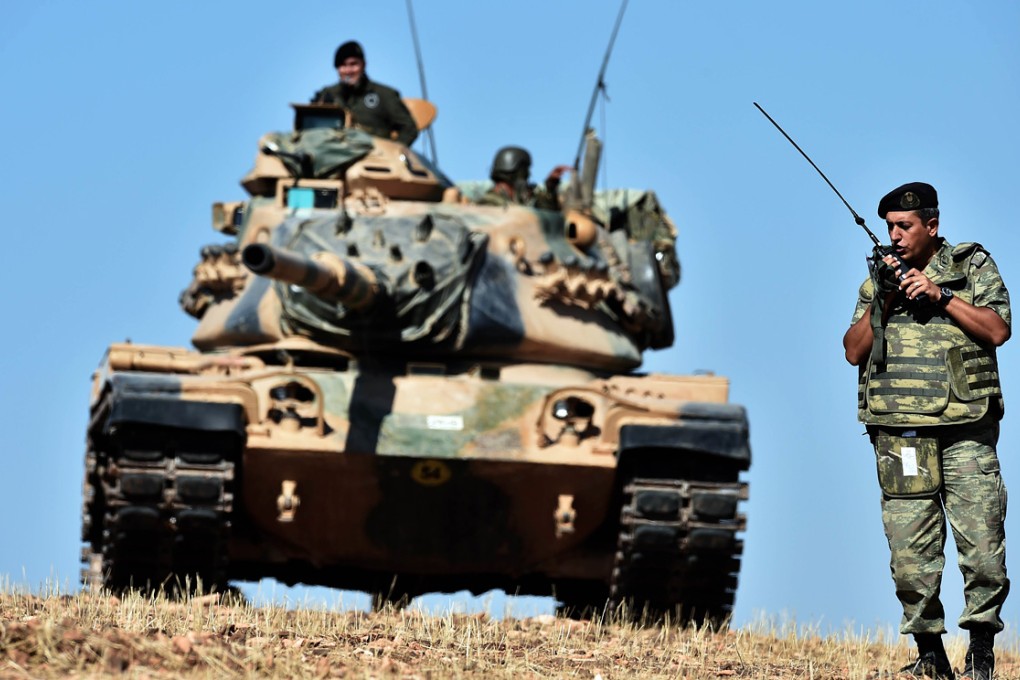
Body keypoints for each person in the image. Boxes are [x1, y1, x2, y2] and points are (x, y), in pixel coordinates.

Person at [842, 182, 1010, 680]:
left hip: (966, 429)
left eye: (904, 227)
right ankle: (929, 653)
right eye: (889, 226)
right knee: (911, 552)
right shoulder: (878, 282)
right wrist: (886, 301)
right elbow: (853, 350)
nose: (894, 235)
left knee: (982, 544)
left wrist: (940, 296)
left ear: (931, 227)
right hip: (901, 435)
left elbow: (997, 329)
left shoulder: (972, 266)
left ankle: (981, 648)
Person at [311, 40, 419, 147]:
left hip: (372, 157)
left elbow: (409, 127)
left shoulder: (384, 94)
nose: (348, 71)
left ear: (363, 65)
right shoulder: (327, 94)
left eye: (353, 64)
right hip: (334, 154)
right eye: (343, 65)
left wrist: (392, 152)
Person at [477, 145, 570, 210]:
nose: (528, 175)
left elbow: (547, 216)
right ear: (520, 172)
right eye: (526, 170)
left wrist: (550, 187)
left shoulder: (517, 200)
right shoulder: (490, 204)